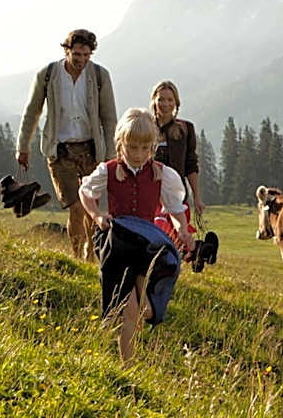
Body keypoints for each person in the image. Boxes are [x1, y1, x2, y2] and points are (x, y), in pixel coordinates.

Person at [79, 108, 195, 365]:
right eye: (132, 147)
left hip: (145, 245)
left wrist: (183, 230)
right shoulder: (108, 170)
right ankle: (128, 365)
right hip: (116, 244)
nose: (139, 154)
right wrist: (97, 216)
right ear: (121, 143)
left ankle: (125, 324)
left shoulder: (162, 174)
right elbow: (85, 192)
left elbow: (176, 208)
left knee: (145, 308)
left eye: (145, 148)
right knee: (129, 308)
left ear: (152, 146)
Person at [17, 29, 117, 261]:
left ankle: (90, 253)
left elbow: (109, 117)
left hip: (91, 148)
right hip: (60, 150)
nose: (81, 60)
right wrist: (23, 146)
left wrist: (110, 154)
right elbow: (32, 112)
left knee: (91, 206)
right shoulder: (48, 75)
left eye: (86, 55)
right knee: (76, 206)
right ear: (67, 51)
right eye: (77, 54)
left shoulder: (99, 76)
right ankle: (77, 255)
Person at [148, 80, 206, 253]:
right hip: (150, 193)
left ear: (176, 103)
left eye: (170, 100)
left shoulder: (185, 129)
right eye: (161, 99)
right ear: (154, 101)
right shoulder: (145, 127)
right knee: (154, 236)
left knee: (178, 238)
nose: (165, 104)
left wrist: (197, 197)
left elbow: (191, 165)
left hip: (176, 193)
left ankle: (192, 255)